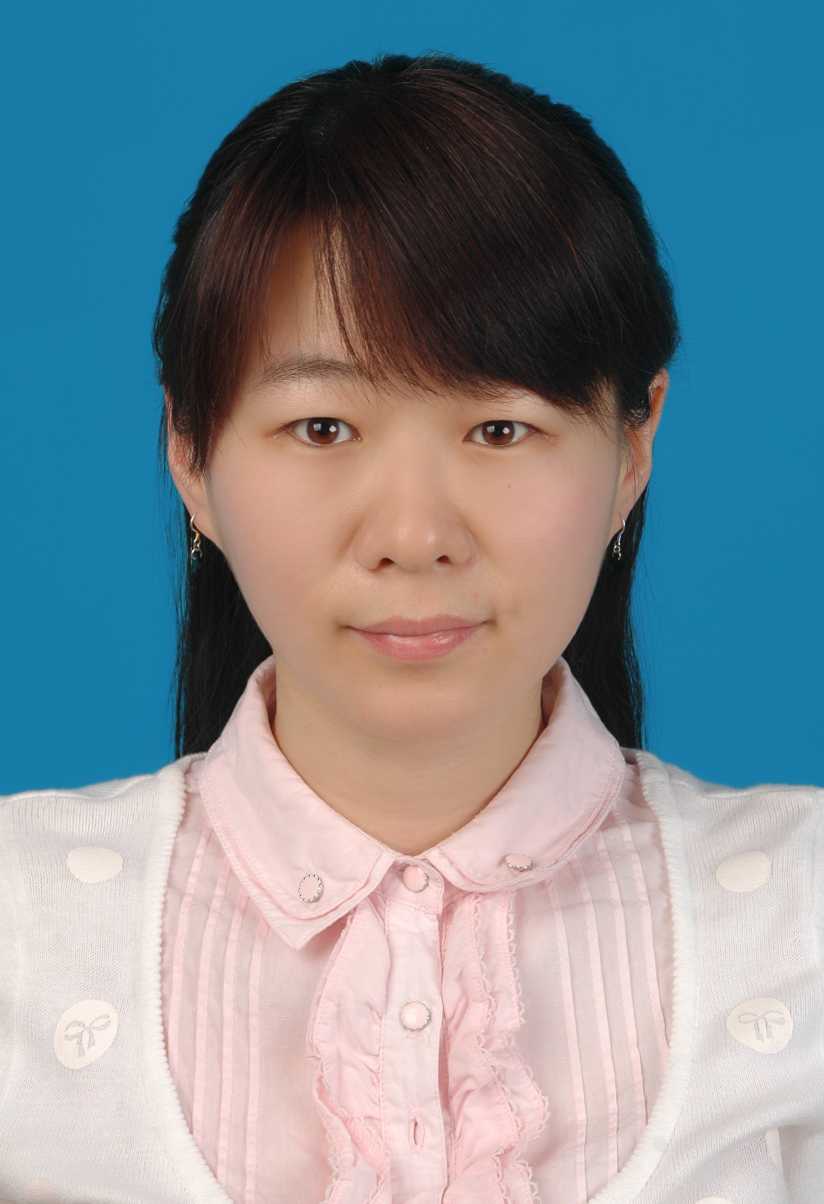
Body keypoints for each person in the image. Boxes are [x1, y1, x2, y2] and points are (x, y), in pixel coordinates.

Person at [0, 52, 821, 1204]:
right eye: (323, 427)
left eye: (499, 429)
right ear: (190, 454)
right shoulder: (20, 921)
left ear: (633, 446)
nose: (413, 534)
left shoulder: (800, 911)